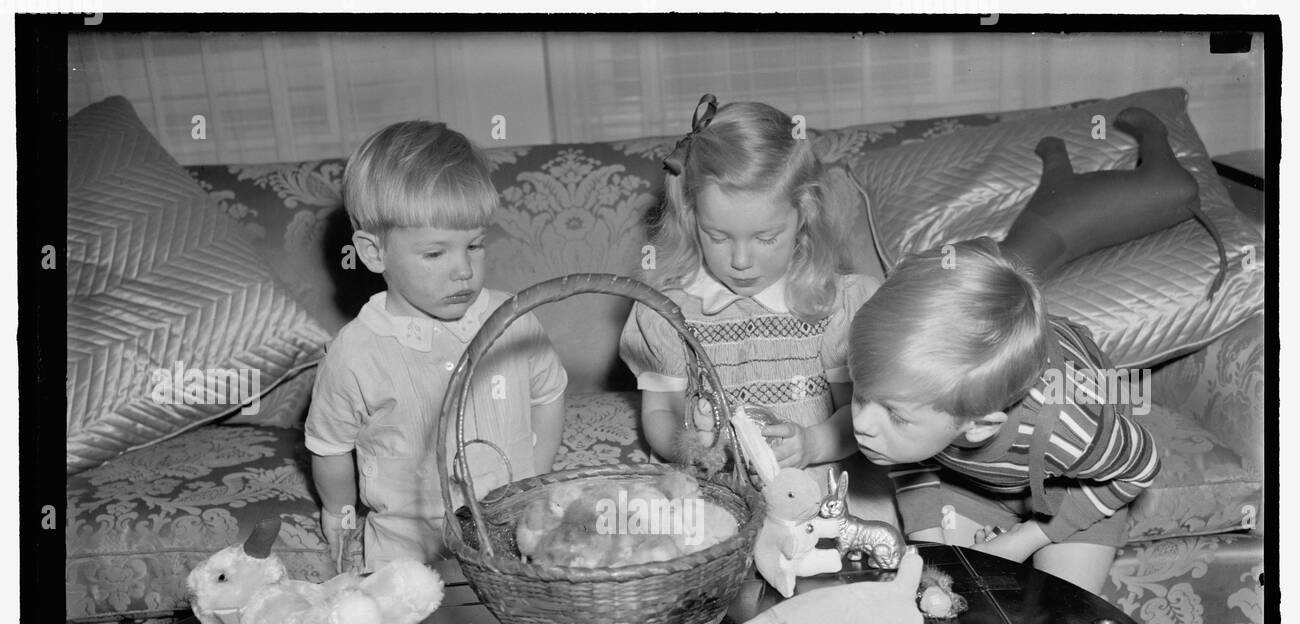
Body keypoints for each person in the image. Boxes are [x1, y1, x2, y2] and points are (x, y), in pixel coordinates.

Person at [306, 120, 567, 572]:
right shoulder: (355, 351)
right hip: (405, 549)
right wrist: (337, 510)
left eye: (475, 245)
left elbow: (548, 392)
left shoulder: (513, 319)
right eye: (435, 253)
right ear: (373, 252)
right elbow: (329, 445)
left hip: (512, 534)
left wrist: (534, 478)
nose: (463, 269)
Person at [619, 95, 889, 516]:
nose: (741, 261)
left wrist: (813, 442)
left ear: (804, 214)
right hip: (717, 500)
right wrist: (688, 440)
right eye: (719, 236)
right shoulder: (668, 313)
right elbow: (658, 412)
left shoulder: (832, 304)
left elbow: (862, 414)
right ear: (691, 216)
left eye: (766, 238)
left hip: (817, 495)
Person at [848, 237, 1160, 598]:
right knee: (952, 602)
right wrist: (932, 549)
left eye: (895, 416)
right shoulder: (911, 404)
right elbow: (908, 456)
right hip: (970, 480)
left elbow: (1142, 466)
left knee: (1059, 619)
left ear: (981, 425)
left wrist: (1022, 541)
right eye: (861, 393)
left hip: (1071, 489)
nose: (862, 424)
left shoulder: (1069, 427)